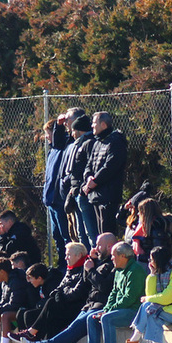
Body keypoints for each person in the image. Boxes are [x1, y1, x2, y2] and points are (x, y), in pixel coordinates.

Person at [22, 233, 119, 343]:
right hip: (90, 305)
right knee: (71, 328)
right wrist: (92, 262)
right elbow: (86, 281)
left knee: (73, 329)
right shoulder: (97, 262)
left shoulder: (113, 265)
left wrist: (90, 269)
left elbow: (103, 287)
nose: (96, 248)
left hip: (101, 305)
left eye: (99, 245)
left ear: (109, 246)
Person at [87, 242, 147, 343]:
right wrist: (107, 309)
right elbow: (113, 293)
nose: (112, 258)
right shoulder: (118, 271)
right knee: (91, 318)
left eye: (114, 255)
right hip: (119, 309)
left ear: (123, 256)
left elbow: (129, 298)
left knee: (106, 318)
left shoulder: (136, 271)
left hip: (133, 311)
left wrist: (108, 312)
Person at [83, 111, 128, 235]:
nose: (92, 126)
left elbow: (111, 166)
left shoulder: (116, 142)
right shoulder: (97, 142)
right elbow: (89, 164)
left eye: (94, 123)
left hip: (108, 196)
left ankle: (110, 254)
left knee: (107, 233)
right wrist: (88, 179)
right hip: (95, 196)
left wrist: (95, 181)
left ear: (103, 125)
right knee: (99, 234)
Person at [64, 114, 98, 248]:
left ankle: (93, 260)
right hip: (77, 192)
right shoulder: (78, 144)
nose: (71, 134)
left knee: (89, 233)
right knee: (81, 233)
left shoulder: (87, 143)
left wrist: (79, 188)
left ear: (78, 131)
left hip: (84, 193)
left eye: (73, 131)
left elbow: (84, 169)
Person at [43, 117, 72, 267]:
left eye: (48, 133)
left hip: (60, 201)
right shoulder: (52, 151)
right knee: (56, 237)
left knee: (65, 236)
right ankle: (61, 265)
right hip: (51, 201)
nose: (46, 137)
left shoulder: (65, 147)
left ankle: (68, 266)